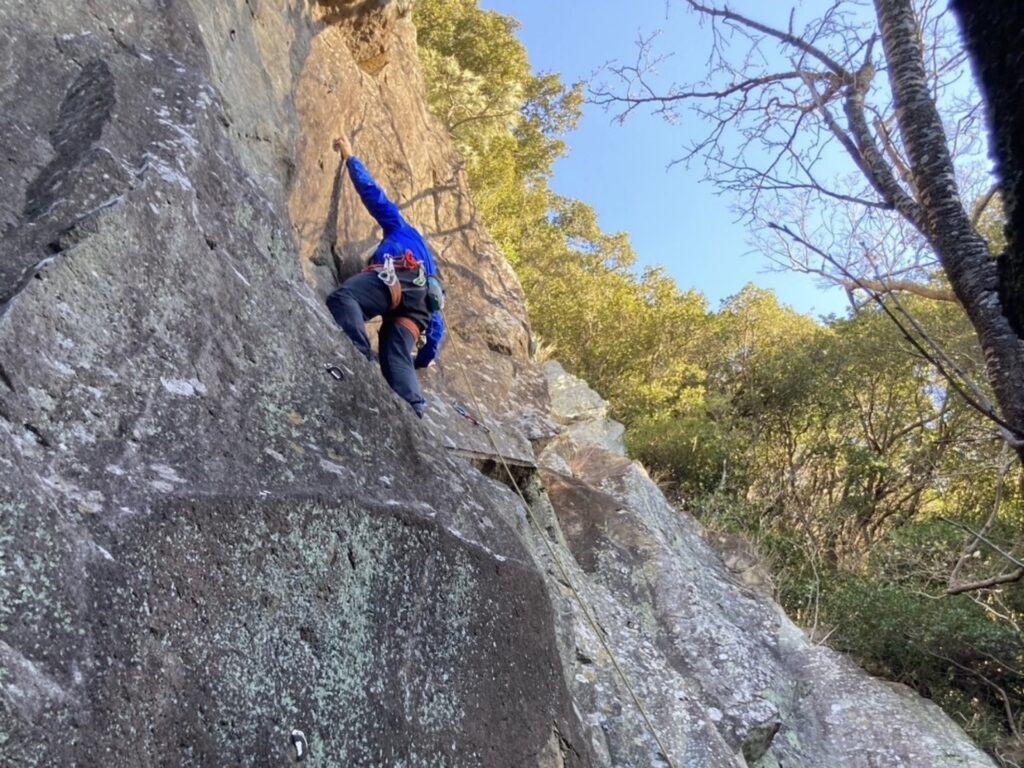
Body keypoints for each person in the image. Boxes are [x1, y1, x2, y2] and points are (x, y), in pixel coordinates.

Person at [326, 133, 444, 418]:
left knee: (346, 298)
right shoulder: (432, 276)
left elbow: (373, 195)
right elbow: (437, 325)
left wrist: (350, 158)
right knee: (396, 359)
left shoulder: (403, 230)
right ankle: (414, 407)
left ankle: (359, 355)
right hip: (418, 311)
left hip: (397, 278)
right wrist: (422, 360)